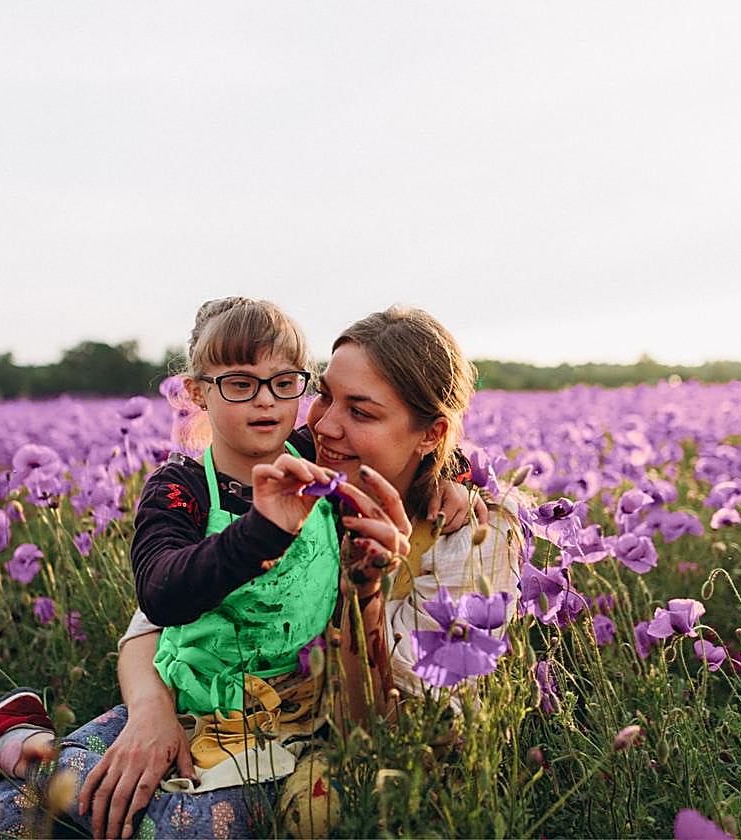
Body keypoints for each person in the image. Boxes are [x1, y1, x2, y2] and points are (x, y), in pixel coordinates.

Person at [82, 306, 521, 838]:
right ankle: (17, 740)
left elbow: (400, 731)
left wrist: (368, 590)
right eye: (325, 396)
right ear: (199, 392)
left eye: (360, 412)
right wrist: (151, 708)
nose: (323, 425)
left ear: (430, 434)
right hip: (213, 711)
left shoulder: (471, 536)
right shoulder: (299, 482)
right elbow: (157, 614)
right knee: (70, 795)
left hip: (336, 740)